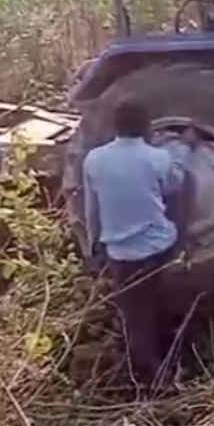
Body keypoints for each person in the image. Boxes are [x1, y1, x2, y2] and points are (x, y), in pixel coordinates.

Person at [83, 97, 197, 382]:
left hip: (119, 253)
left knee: (135, 315)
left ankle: (146, 367)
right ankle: (157, 376)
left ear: (115, 127)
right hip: (159, 248)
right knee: (157, 310)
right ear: (147, 129)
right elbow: (178, 181)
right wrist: (183, 145)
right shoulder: (157, 158)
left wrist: (93, 246)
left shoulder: (94, 159)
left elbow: (91, 210)